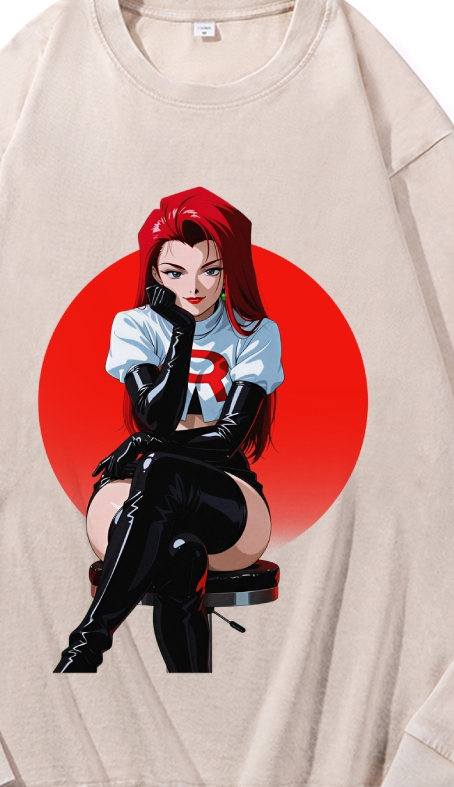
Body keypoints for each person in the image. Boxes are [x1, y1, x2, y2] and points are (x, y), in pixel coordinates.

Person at [54, 186, 284, 673]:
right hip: (145, 493)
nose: (194, 288)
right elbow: (155, 415)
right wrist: (181, 330)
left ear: (231, 270)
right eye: (175, 273)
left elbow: (226, 438)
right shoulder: (134, 325)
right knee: (181, 555)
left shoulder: (256, 332)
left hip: (227, 498)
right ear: (154, 275)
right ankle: (191, 688)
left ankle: (85, 647)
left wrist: (145, 444)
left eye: (210, 270)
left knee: (159, 466)